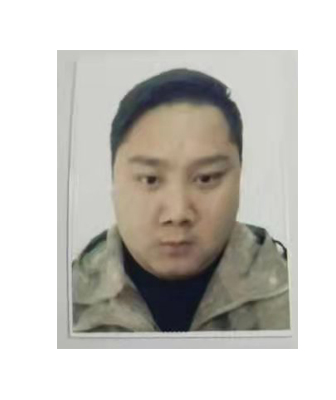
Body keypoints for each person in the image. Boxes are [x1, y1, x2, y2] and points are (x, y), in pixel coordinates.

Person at [72, 68, 290, 332]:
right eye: (150, 179)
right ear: (113, 180)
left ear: (239, 179)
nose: (177, 213)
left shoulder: (292, 298)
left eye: (206, 178)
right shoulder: (67, 301)